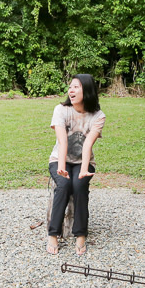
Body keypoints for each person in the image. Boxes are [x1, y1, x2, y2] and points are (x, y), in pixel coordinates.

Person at [47, 74, 106, 255]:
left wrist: (83, 170)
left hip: (83, 161)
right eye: (70, 87)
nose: (71, 90)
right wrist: (62, 166)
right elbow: (62, 141)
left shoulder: (98, 116)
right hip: (59, 159)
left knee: (79, 185)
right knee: (63, 185)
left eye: (76, 87)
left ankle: (80, 235)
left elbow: (88, 144)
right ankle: (53, 234)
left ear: (87, 90)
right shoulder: (61, 110)